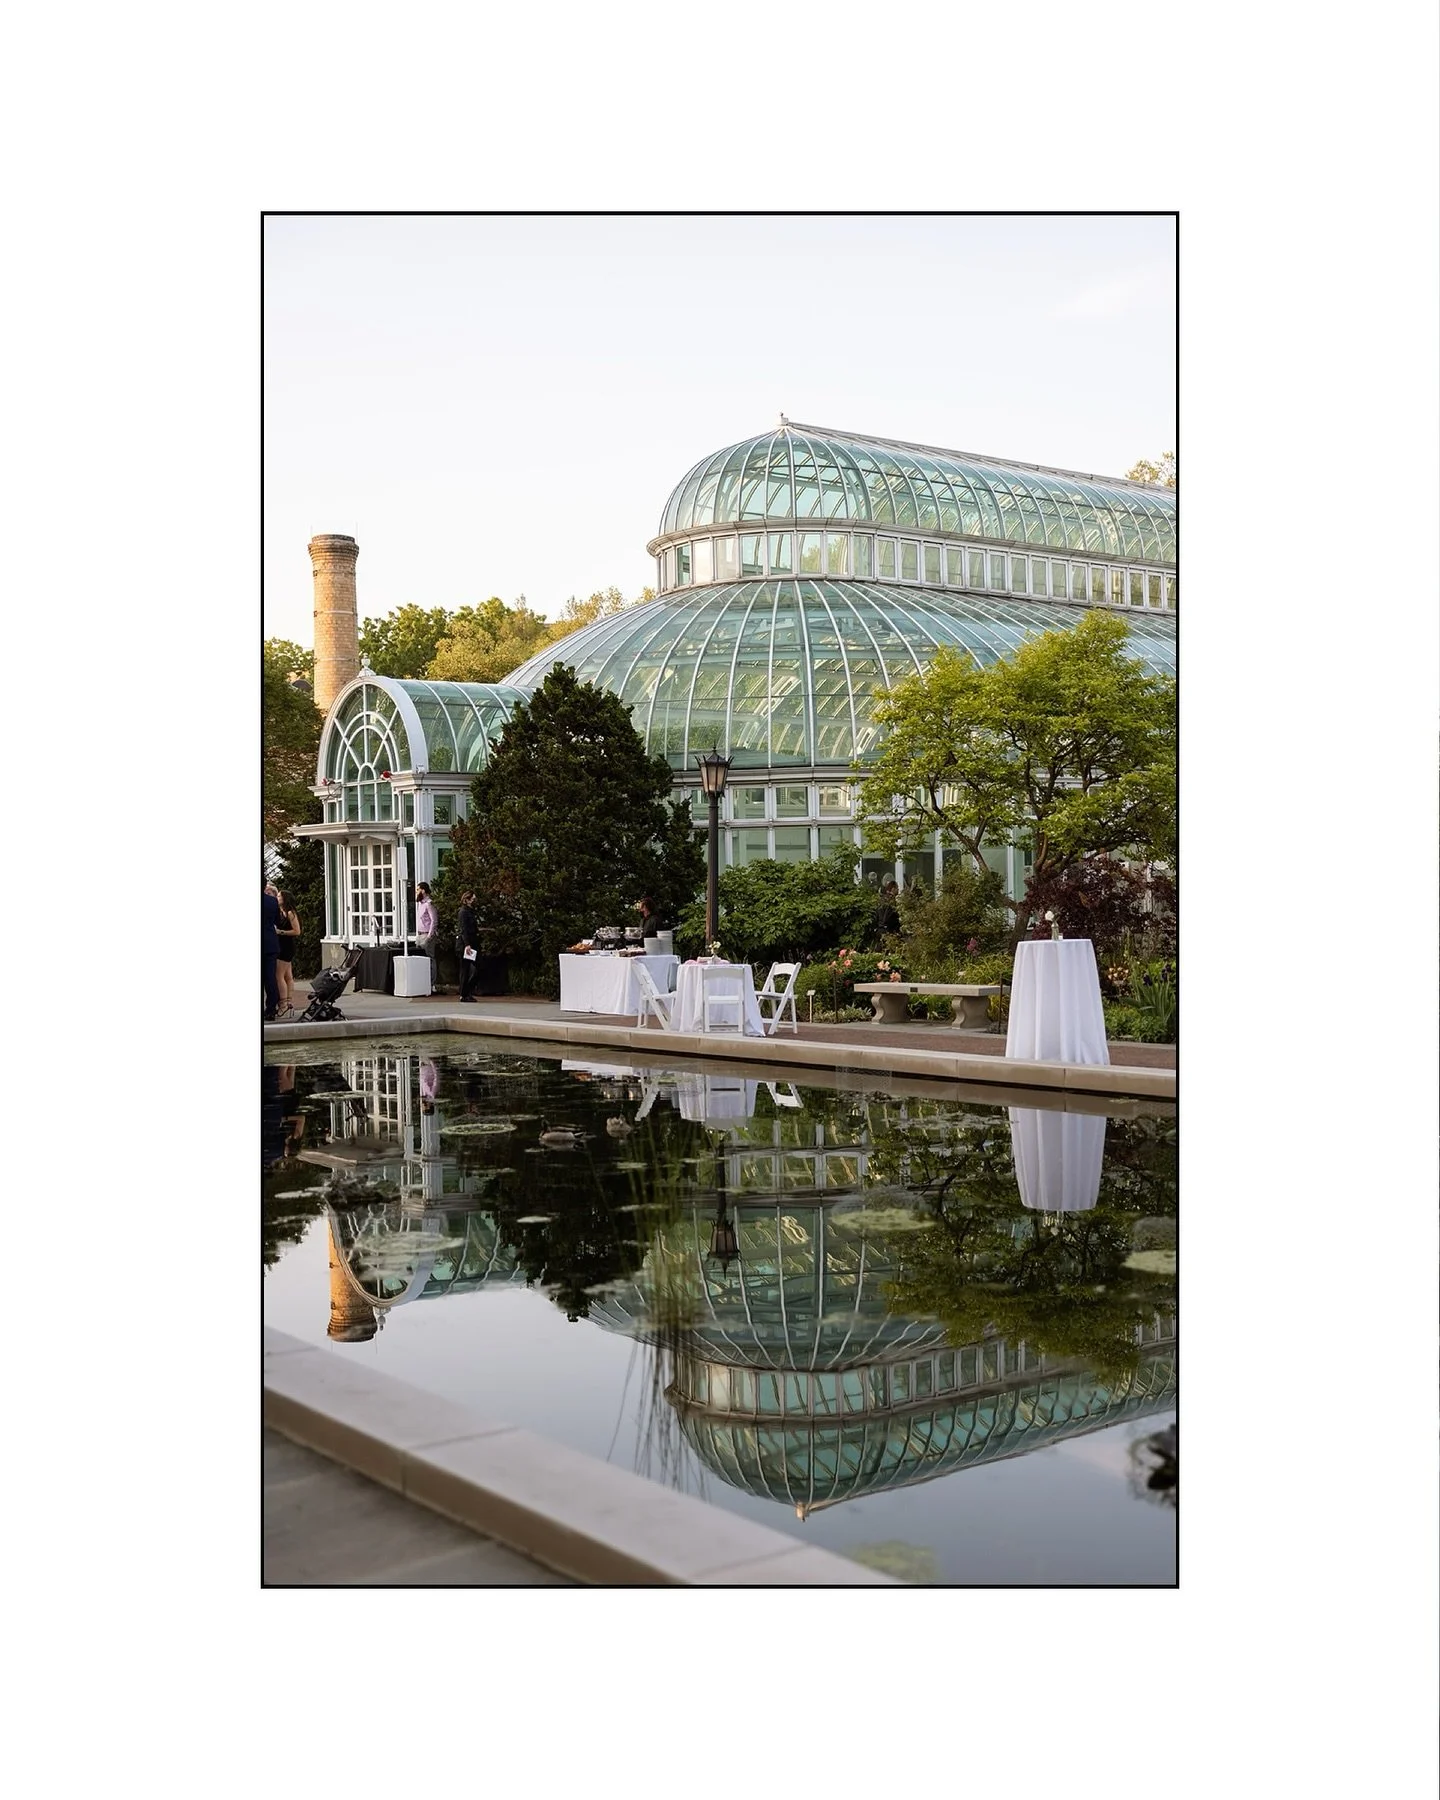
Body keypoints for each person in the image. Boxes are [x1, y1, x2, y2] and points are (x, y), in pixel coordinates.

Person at [274, 888, 301, 1018]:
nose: (277, 898)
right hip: (283, 945)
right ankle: (289, 1002)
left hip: (286, 947)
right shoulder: (282, 912)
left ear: (285, 899)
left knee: (279, 976)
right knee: (288, 976)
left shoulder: (290, 913)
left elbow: (297, 931)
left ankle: (283, 1004)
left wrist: (281, 932)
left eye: (279, 896)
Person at [262, 880, 282, 1021]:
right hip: (270, 942)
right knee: (271, 978)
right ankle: (270, 1010)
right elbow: (277, 920)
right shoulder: (272, 901)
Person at [415, 882, 440, 991]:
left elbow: (434, 920)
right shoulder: (420, 904)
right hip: (420, 933)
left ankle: (432, 983)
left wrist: (430, 935)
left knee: (430, 958)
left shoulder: (429, 904)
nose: (416, 892)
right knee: (420, 958)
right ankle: (423, 981)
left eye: (418, 890)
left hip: (427, 934)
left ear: (423, 890)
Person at [456, 891, 480, 1001]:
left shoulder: (470, 912)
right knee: (465, 969)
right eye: (472, 899)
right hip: (466, 945)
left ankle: (465, 992)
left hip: (472, 943)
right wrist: (467, 944)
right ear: (467, 900)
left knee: (475, 968)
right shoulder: (463, 912)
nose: (474, 901)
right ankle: (464, 993)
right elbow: (463, 929)